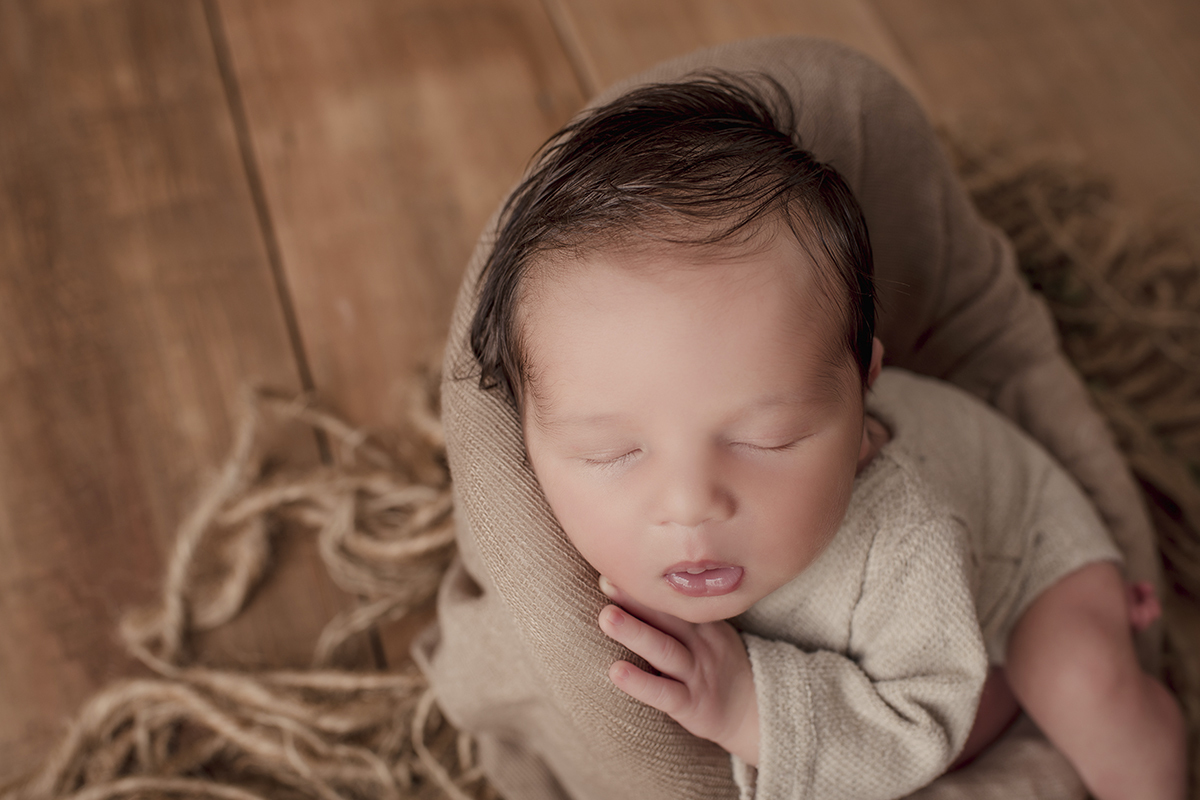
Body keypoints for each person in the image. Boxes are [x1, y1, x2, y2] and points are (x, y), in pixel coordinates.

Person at [462, 73, 1186, 799]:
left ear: (865, 387)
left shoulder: (907, 541)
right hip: (921, 632)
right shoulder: (561, 525)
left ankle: (1136, 715)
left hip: (1023, 565)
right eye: (611, 453)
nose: (689, 504)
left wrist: (751, 706)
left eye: (767, 439)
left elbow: (924, 716)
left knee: (1078, 685)